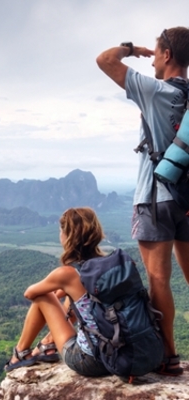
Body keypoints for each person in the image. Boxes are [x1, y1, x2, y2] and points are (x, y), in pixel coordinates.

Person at [96, 27, 189, 376]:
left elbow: (104, 60)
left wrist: (132, 49)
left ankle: (168, 356)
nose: (153, 60)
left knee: (158, 280)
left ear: (166, 55)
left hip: (155, 199)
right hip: (187, 197)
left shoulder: (155, 90)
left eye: (157, 52)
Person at [4, 207, 110, 377]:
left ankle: (20, 353)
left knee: (43, 295)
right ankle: (48, 343)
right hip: (120, 354)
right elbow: (73, 292)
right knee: (76, 298)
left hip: (91, 361)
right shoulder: (108, 265)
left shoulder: (67, 274)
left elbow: (30, 294)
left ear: (68, 236)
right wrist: (65, 292)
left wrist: (57, 291)